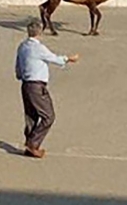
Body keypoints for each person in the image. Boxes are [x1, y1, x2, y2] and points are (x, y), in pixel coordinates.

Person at [15, 21, 79, 158]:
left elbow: (18, 67)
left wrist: (21, 76)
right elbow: (54, 59)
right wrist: (69, 59)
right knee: (48, 116)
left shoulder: (22, 46)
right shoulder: (39, 48)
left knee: (31, 116)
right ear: (40, 32)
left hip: (25, 84)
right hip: (37, 86)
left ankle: (30, 144)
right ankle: (32, 144)